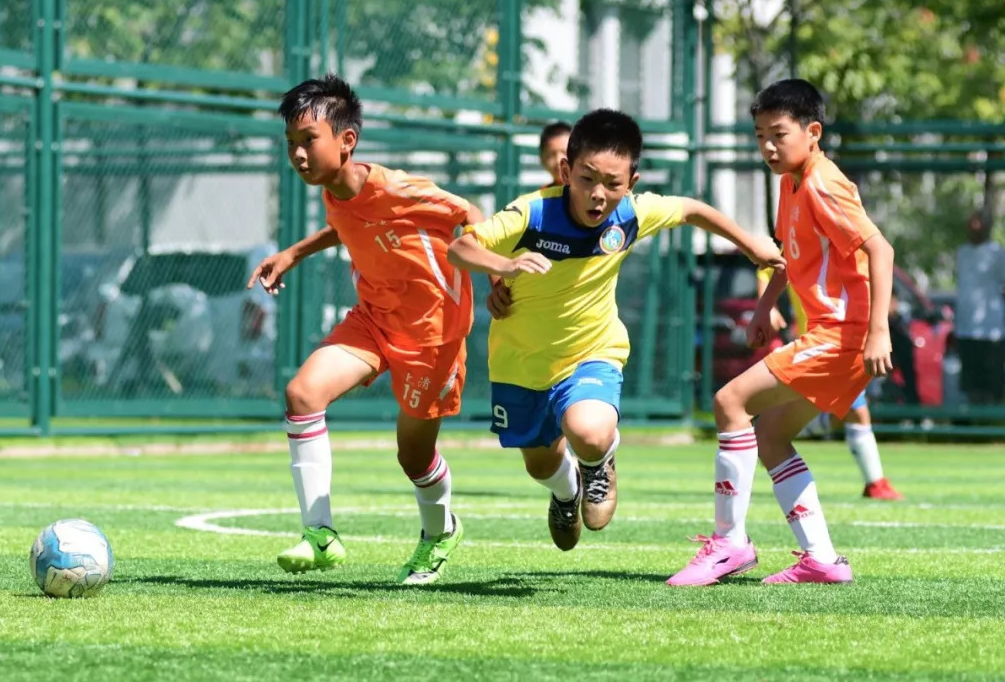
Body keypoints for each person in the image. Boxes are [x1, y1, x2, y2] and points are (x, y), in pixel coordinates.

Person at [448, 109, 783, 551]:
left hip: (593, 351)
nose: (598, 195)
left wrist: (752, 244)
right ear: (566, 171)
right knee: (539, 465)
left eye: (613, 183)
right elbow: (460, 247)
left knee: (588, 430)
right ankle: (566, 493)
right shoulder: (532, 213)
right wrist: (504, 267)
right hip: (521, 363)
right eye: (587, 179)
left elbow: (692, 209)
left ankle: (598, 462)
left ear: (632, 182)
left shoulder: (630, 215)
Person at [246, 74, 483, 585]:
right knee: (302, 393)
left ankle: (440, 532)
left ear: (346, 141)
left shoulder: (398, 187)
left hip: (433, 336)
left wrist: (497, 272)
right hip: (373, 320)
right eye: (291, 144)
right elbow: (350, 225)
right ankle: (320, 536)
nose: (298, 154)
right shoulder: (336, 190)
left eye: (309, 140)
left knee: (413, 455)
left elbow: (470, 214)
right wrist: (293, 253)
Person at [668, 79, 896, 586]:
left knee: (729, 402)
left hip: (842, 335)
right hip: (838, 335)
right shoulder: (790, 181)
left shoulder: (821, 183)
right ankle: (822, 561)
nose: (767, 146)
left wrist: (878, 329)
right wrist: (763, 307)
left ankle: (728, 545)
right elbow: (790, 257)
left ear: (812, 132)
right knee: (771, 437)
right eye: (759, 135)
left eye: (778, 134)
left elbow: (881, 250)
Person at [757, 268, 903, 500]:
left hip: (838, 343)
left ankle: (767, 439)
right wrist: (768, 306)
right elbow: (767, 270)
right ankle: (875, 484)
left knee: (843, 417)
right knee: (857, 414)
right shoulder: (800, 242)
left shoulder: (831, 246)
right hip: (821, 345)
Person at [954, 210, 1005, 405]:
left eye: (977, 223)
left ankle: (995, 423)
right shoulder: (961, 253)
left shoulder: (997, 253)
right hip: (965, 328)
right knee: (971, 381)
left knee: (994, 381)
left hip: (992, 331)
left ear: (986, 227)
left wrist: (996, 306)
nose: (972, 228)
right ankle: (975, 424)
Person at [538, 121, 571, 188]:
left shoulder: (593, 191)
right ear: (541, 159)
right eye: (551, 155)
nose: (558, 160)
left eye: (565, 152)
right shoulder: (542, 195)